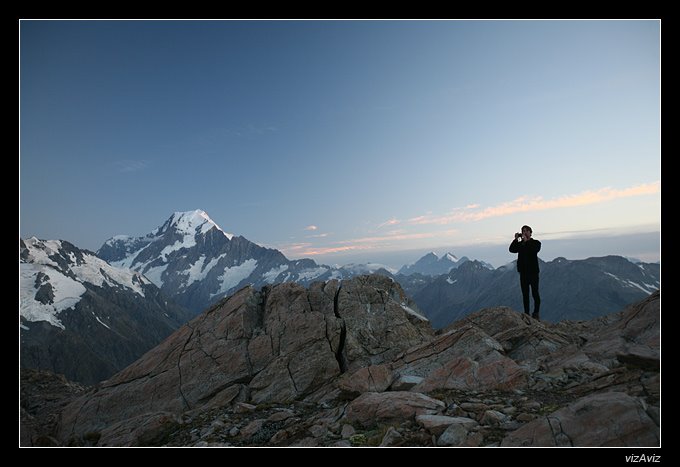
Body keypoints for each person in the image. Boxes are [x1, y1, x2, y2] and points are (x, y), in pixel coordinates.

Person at [509, 225, 541, 320]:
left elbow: (535, 250)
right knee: (525, 294)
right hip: (523, 273)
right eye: (523, 231)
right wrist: (516, 240)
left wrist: (527, 241)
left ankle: (536, 313)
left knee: (535, 293)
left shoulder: (536, 243)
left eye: (527, 231)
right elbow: (511, 249)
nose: (525, 232)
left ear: (531, 233)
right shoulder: (520, 244)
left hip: (533, 273)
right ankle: (526, 313)